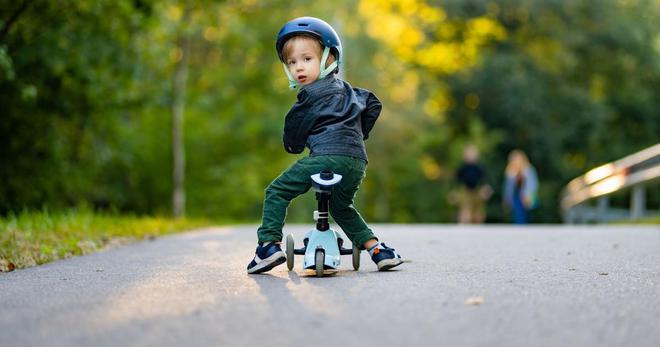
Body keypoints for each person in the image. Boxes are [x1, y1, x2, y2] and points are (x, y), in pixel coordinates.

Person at [247, 17, 403, 274]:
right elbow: (373, 104)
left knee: (277, 191)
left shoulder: (309, 96)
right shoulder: (352, 91)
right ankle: (378, 250)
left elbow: (293, 135)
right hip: (356, 161)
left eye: (307, 59)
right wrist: (355, 134)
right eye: (292, 62)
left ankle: (268, 246)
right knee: (341, 206)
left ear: (329, 58)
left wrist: (295, 146)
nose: (299, 67)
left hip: (324, 157)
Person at [454, 144, 492, 223]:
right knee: (465, 209)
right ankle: (464, 227)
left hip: (477, 190)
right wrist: (454, 192)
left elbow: (485, 179)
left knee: (478, 211)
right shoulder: (462, 167)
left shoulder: (479, 167)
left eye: (473, 153)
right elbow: (456, 180)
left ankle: (477, 228)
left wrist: (486, 189)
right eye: (469, 153)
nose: (471, 155)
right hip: (465, 190)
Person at [502, 149, 539, 224]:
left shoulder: (528, 169)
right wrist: (506, 197)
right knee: (518, 214)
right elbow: (508, 187)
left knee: (529, 214)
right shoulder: (510, 171)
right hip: (516, 196)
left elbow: (533, 184)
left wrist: (528, 195)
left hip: (527, 195)